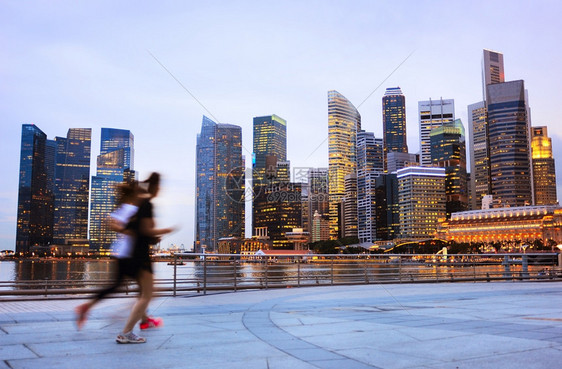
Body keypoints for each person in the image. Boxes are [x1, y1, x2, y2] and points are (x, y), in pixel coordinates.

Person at [116, 172, 174, 344]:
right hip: (141, 255)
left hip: (136, 252)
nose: (159, 190)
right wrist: (167, 230)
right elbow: (146, 230)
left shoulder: (140, 204)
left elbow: (137, 229)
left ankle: (142, 322)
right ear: (154, 187)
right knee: (147, 295)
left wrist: (152, 237)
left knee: (144, 294)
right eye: (159, 186)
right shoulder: (147, 204)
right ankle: (126, 332)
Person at [75, 182, 141, 330]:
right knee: (145, 288)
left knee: (118, 285)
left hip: (121, 252)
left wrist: (124, 229)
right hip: (130, 253)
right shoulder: (133, 209)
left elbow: (109, 223)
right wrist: (131, 231)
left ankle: (87, 306)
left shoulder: (121, 209)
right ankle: (142, 318)